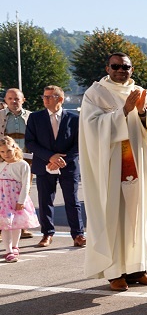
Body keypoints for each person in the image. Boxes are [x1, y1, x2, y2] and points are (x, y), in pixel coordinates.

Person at [80, 52, 147, 291]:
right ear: (107, 68)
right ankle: (115, 272)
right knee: (114, 219)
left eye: (125, 67)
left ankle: (138, 269)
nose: (121, 70)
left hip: (139, 166)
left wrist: (142, 113)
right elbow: (91, 128)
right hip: (111, 169)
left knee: (138, 218)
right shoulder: (95, 94)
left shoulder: (141, 93)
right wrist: (122, 112)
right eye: (116, 66)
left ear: (132, 69)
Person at [25, 85, 86, 248]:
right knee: (45, 201)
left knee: (72, 201)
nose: (45, 100)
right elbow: (30, 142)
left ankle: (78, 234)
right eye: (44, 96)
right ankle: (47, 234)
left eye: (49, 97)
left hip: (68, 166)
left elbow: (79, 143)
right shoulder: (35, 118)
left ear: (60, 99)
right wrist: (50, 157)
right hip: (44, 165)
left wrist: (62, 160)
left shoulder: (74, 119)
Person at [1, 88, 34, 239]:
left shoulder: (31, 117)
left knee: (25, 191)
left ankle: (22, 225)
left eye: (17, 99)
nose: (13, 101)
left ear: (23, 100)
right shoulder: (0, 115)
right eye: (10, 98)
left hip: (25, 159)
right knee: (2, 193)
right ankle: (2, 226)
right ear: (5, 100)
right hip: (3, 159)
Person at [0, 136, 39, 262]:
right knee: (5, 225)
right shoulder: (1, 164)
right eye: (2, 151)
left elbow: (26, 184)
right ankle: (8, 251)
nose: (6, 154)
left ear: (15, 148)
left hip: (16, 198)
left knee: (16, 224)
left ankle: (15, 246)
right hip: (3, 200)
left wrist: (21, 201)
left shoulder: (23, 165)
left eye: (8, 150)